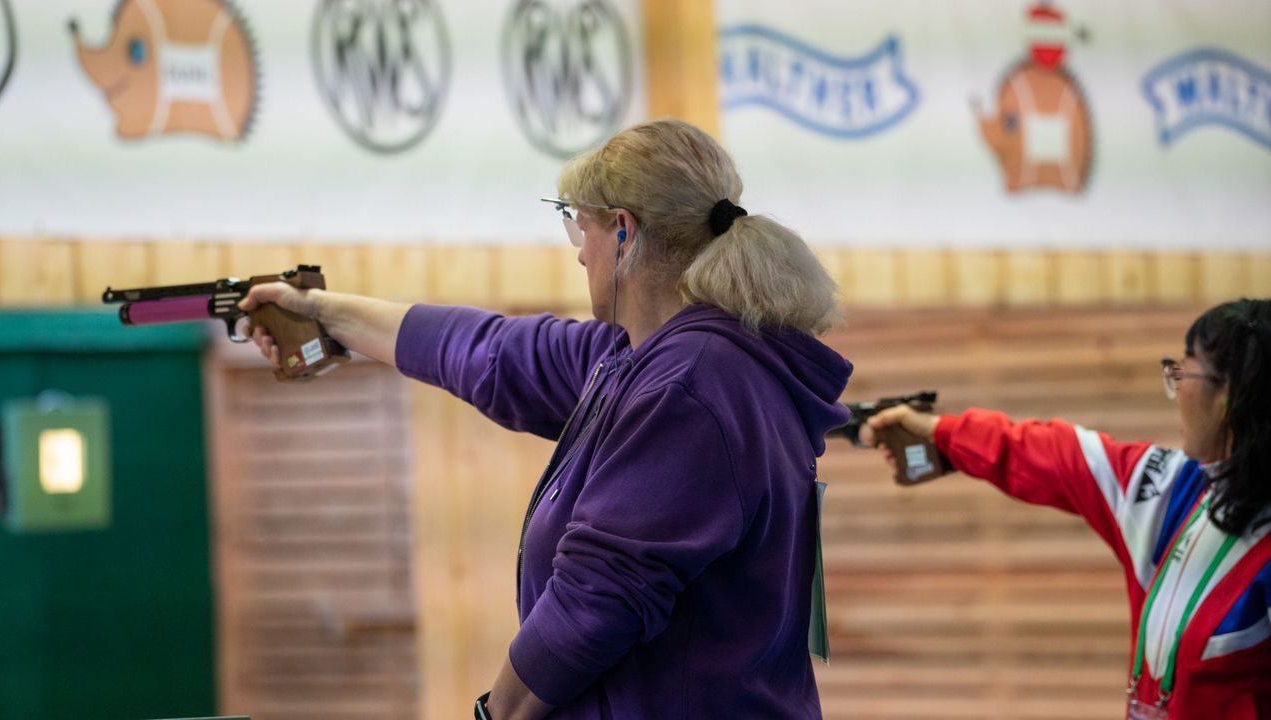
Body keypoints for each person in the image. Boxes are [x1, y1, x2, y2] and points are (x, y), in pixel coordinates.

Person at [239, 119, 853, 719]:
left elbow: (597, 599)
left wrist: (496, 713)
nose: (580, 254)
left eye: (578, 228)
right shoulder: (640, 359)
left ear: (622, 230)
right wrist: (322, 313)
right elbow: (490, 352)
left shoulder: (689, 384)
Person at [862, 298, 1271, 719]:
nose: (1175, 388)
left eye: (1183, 372)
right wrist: (942, 435)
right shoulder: (1175, 486)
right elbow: (1058, 455)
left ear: (1231, 395)